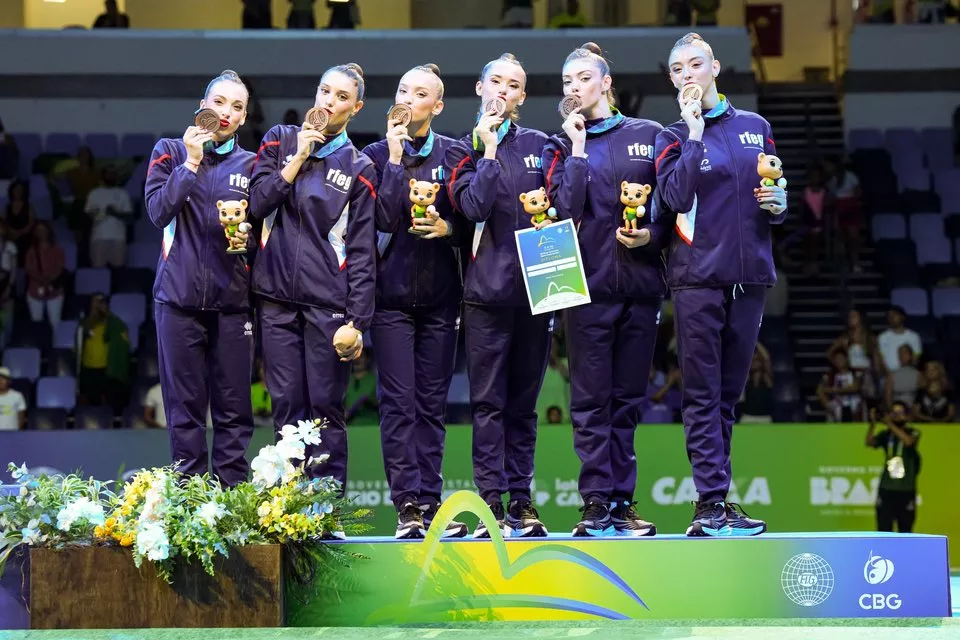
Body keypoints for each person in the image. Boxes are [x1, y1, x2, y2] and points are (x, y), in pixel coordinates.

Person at [654, 32, 787, 536]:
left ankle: (718, 501)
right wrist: (692, 133)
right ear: (672, 79)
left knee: (730, 395)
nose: (687, 73)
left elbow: (772, 188)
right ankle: (709, 502)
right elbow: (672, 196)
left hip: (750, 276)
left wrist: (781, 203)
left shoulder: (756, 126)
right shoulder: (671, 136)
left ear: (715, 68)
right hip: (697, 279)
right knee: (704, 394)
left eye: (695, 64)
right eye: (678, 68)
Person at [542, 42, 668, 537]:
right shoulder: (560, 146)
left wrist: (650, 237)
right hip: (585, 289)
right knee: (591, 402)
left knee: (627, 401)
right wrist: (575, 148)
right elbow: (565, 212)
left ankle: (623, 502)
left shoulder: (650, 136)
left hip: (640, 287)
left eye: (582, 79)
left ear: (605, 83)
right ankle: (595, 502)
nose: (573, 89)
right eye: (567, 82)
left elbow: (669, 209)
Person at [250, 63, 376, 538]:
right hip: (277, 300)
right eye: (324, 90)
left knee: (325, 408)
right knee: (286, 406)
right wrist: (298, 158)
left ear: (355, 107)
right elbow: (258, 202)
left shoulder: (360, 168)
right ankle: (287, 509)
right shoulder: (281, 140)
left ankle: (326, 513)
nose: (328, 101)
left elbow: (363, 253)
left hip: (329, 307)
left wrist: (357, 322)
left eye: (341, 96)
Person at [445, 52, 551, 539]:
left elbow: (563, 209)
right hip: (485, 294)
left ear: (522, 97)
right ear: (480, 87)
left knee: (523, 405)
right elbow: (473, 205)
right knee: (487, 404)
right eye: (497, 82)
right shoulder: (460, 153)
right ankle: (490, 500)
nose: (503, 91)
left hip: (538, 288)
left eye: (514, 85)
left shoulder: (543, 146)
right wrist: (487, 151)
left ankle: (522, 502)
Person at [361, 63, 468, 539]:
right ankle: (406, 506)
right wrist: (393, 156)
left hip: (443, 303)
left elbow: (478, 218)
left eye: (419, 93)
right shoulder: (374, 154)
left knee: (430, 406)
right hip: (392, 302)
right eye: (403, 89)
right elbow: (382, 218)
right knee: (398, 405)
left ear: (436, 106)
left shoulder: (456, 154)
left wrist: (449, 229)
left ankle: (431, 504)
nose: (408, 98)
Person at [144, 69, 256, 487]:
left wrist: (249, 238)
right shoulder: (170, 151)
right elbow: (158, 212)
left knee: (233, 411)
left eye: (237, 107)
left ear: (244, 118)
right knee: (185, 409)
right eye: (220, 102)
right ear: (203, 106)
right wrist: (191, 163)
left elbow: (265, 232)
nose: (227, 112)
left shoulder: (254, 164)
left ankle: (231, 500)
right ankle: (191, 501)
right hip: (177, 302)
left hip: (233, 305)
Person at [866, 404, 921, 533]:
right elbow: (869, 442)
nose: (897, 415)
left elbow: (908, 442)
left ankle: (905, 554)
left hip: (906, 488)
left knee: (906, 529)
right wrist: (873, 423)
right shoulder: (886, 435)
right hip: (886, 488)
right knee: (884, 529)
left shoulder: (913, 432)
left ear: (907, 416)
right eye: (894, 413)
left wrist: (889, 423)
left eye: (900, 412)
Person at [77, 293, 130, 412]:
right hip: (87, 369)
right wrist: (93, 313)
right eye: (95, 302)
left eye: (101, 302)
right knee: (88, 402)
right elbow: (82, 332)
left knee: (106, 402)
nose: (98, 305)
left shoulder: (114, 322)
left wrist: (105, 313)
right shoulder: (85, 322)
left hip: (107, 370)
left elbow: (123, 339)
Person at [87, 165, 134, 268]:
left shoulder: (123, 193)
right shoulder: (94, 193)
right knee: (98, 270)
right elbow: (88, 215)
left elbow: (129, 217)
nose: (110, 176)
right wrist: (96, 214)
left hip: (118, 237)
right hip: (99, 237)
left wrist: (115, 213)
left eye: (113, 174)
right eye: (108, 173)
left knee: (118, 271)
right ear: (103, 175)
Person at [24, 221, 65, 328]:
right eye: (38, 230)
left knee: (55, 324)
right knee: (36, 325)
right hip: (35, 291)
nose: (41, 233)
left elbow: (60, 267)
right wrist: (42, 280)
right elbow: (29, 269)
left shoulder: (57, 249)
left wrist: (50, 279)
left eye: (43, 230)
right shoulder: (31, 251)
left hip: (54, 291)